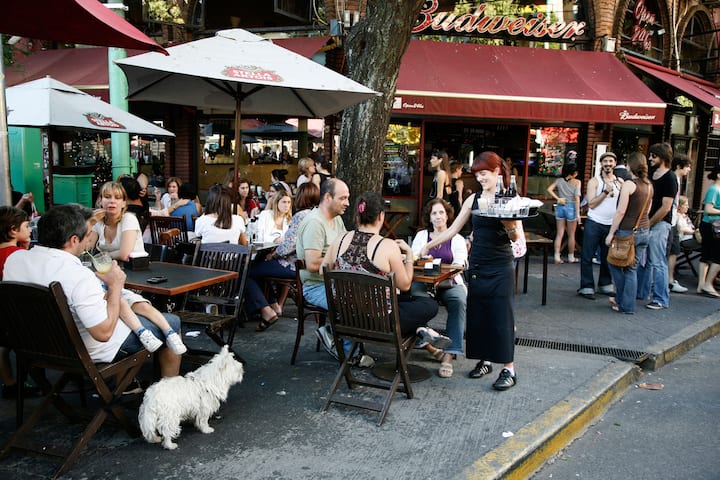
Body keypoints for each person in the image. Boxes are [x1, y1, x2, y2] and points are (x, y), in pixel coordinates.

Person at [4, 204, 182, 377]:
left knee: (129, 311)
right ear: (74, 240)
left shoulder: (14, 260)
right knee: (172, 321)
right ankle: (168, 390)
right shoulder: (78, 275)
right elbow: (103, 333)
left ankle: (128, 385)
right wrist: (115, 286)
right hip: (85, 351)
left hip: (34, 346)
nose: (89, 240)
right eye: (88, 235)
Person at [421, 151, 522, 391]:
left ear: (497, 171)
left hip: (501, 265)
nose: (480, 179)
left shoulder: (508, 197)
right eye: (477, 175)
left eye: (484, 174)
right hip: (478, 265)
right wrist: (428, 245)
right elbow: (452, 229)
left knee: (501, 318)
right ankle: (485, 361)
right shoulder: (473, 199)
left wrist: (508, 224)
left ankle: (509, 369)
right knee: (479, 317)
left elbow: (515, 236)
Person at [323, 192, 447, 354]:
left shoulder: (339, 240)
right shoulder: (387, 245)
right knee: (429, 305)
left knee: (405, 300)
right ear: (381, 216)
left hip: (346, 318)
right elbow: (405, 284)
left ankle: (421, 330)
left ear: (357, 216)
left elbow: (322, 270)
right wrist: (409, 255)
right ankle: (420, 329)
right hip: (379, 323)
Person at [89, 182, 187, 355]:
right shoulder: (99, 223)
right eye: (107, 197)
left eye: (117, 198)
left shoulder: (129, 219)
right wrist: (90, 223)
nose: (112, 201)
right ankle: (147, 334)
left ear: (124, 203)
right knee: (118, 299)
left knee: (128, 300)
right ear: (100, 201)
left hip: (136, 274)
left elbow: (124, 253)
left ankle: (168, 334)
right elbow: (87, 248)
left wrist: (101, 257)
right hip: (112, 275)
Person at [411, 198, 467, 378]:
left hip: (449, 282)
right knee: (413, 299)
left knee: (459, 300)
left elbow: (459, 264)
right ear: (429, 217)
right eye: (434, 213)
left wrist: (444, 269)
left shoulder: (457, 238)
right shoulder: (422, 236)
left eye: (441, 212)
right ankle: (430, 347)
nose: (438, 216)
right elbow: (414, 259)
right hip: (424, 282)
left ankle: (449, 355)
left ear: (447, 215)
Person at [296, 178, 350, 357]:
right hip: (315, 286)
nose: (347, 203)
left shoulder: (337, 219)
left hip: (335, 282)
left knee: (366, 295)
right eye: (343, 198)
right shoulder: (315, 223)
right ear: (327, 197)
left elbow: (346, 247)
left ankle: (332, 334)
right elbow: (312, 264)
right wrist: (341, 261)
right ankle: (348, 353)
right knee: (351, 302)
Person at [249, 182, 320, 316]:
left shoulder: (301, 216)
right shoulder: (317, 214)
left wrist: (274, 255)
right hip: (308, 265)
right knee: (260, 268)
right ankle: (273, 305)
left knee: (249, 271)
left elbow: (289, 245)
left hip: (293, 265)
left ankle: (266, 310)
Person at [0, 206, 42, 399]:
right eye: (26, 226)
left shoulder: (13, 253)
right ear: (13, 231)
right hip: (20, 323)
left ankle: (9, 382)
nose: (30, 229)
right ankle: (41, 382)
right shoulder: (19, 257)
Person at [604, 152, 652, 314]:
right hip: (644, 229)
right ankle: (626, 303)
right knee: (632, 268)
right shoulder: (648, 185)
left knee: (614, 263)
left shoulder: (629, 185)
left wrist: (611, 233)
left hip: (627, 230)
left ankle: (623, 301)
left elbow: (621, 211)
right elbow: (648, 209)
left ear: (630, 166)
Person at [637, 143, 677, 310]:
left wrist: (650, 222)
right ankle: (642, 292)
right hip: (647, 221)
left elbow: (666, 207)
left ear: (663, 157)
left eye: (654, 156)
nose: (650, 158)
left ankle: (661, 299)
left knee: (658, 261)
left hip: (660, 223)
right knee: (644, 260)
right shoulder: (651, 174)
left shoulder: (670, 178)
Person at [578, 152, 622, 300]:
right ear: (601, 164)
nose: (608, 164)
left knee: (607, 256)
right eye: (605, 161)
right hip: (594, 222)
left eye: (610, 161)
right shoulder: (594, 181)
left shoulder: (620, 182)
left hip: (611, 224)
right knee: (587, 255)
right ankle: (587, 286)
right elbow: (591, 204)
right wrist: (605, 192)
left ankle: (605, 284)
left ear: (615, 163)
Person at [667, 155, 692, 293]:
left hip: (673, 220)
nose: (689, 169)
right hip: (669, 220)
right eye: (687, 166)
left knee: (674, 250)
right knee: (669, 250)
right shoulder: (672, 179)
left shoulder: (677, 179)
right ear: (678, 166)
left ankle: (670, 279)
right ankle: (667, 280)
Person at [547, 163, 582, 264]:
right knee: (571, 234)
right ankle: (571, 257)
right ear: (574, 173)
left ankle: (557, 256)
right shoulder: (577, 182)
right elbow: (577, 198)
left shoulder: (559, 180)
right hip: (571, 206)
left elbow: (549, 189)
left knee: (559, 234)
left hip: (561, 205)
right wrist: (578, 214)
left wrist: (558, 198)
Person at [696, 165, 720, 298]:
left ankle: (701, 285)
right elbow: (708, 209)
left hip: (708, 225)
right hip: (713, 225)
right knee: (716, 256)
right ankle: (708, 284)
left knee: (706, 255)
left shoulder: (715, 189)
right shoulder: (714, 189)